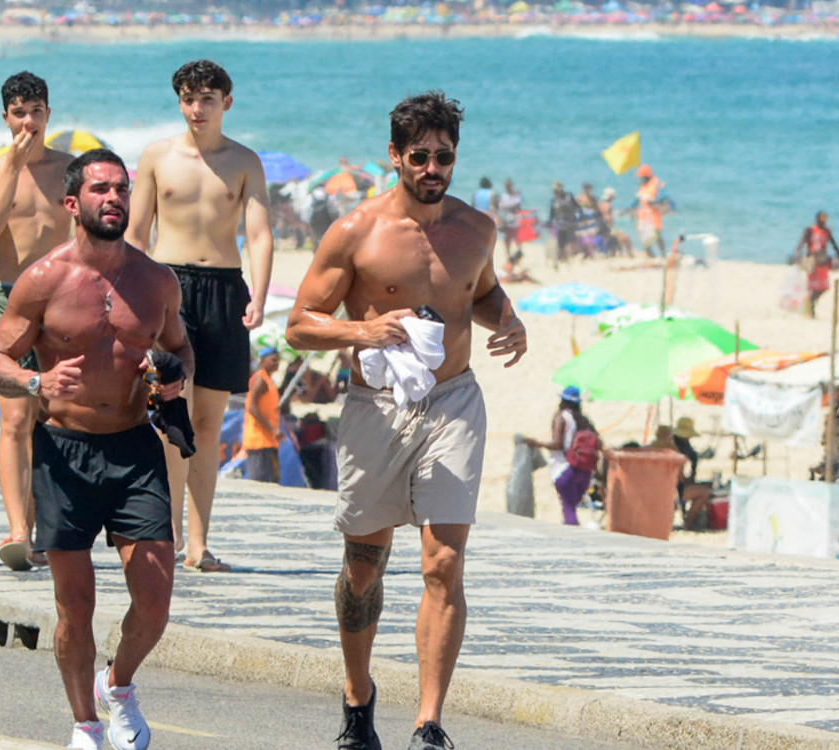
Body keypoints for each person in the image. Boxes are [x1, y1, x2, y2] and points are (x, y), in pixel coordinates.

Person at [285, 91, 528, 750]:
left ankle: (429, 724)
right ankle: (358, 698)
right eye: (418, 155)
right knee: (365, 562)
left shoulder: (477, 229)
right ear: (394, 156)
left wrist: (507, 318)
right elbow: (300, 325)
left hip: (453, 400)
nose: (431, 167)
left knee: (444, 563)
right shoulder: (355, 231)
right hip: (376, 408)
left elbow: (476, 292)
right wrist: (365, 328)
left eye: (443, 156)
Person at [0, 149, 192, 750]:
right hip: (64, 454)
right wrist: (34, 383)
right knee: (75, 606)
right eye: (101, 189)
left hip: (134, 449)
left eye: (122, 188)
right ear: (73, 203)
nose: (115, 198)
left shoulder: (156, 280)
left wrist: (173, 380)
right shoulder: (45, 278)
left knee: (154, 599)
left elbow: (181, 347)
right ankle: (85, 723)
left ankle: (118, 685)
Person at [127, 59, 274, 573]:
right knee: (172, 418)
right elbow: (135, 232)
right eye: (189, 98)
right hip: (169, 286)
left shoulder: (245, 161)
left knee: (209, 424)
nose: (197, 108)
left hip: (225, 290)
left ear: (226, 103)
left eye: (207, 98)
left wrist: (259, 293)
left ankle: (199, 543)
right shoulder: (156, 156)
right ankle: (164, 534)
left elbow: (258, 232)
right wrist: (134, 295)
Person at [0, 71, 74, 571]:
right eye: (18, 112)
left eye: (36, 111)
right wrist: (12, 166)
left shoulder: (71, 171)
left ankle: (43, 524)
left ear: (49, 114)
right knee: (13, 419)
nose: (28, 121)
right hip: (7, 300)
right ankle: (17, 530)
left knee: (51, 417)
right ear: (5, 117)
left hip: (60, 303)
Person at [525, 387, 598, 527]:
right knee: (572, 507)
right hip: (585, 471)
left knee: (568, 508)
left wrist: (535, 443)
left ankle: (573, 542)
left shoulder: (561, 418)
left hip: (563, 469)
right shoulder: (584, 420)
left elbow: (557, 444)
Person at [794, 211, 839, 318]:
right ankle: (810, 309)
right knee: (813, 287)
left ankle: (811, 306)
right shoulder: (810, 230)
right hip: (812, 261)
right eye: (821, 219)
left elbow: (834, 244)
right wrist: (798, 255)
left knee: (823, 287)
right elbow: (801, 243)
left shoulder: (827, 231)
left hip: (823, 261)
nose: (823, 221)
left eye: (825, 219)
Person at [243, 346, 282, 484]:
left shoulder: (268, 380)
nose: (277, 363)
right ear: (263, 361)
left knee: (271, 481)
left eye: (278, 360)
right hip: (259, 440)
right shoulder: (260, 379)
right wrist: (272, 428)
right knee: (259, 483)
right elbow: (251, 407)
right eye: (273, 360)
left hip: (268, 440)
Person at [671, 417, 714, 530]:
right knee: (704, 493)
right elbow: (679, 477)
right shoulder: (676, 450)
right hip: (673, 490)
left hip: (671, 487)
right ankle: (688, 524)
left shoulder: (674, 446)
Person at [633, 164, 666, 258]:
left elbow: (662, 197)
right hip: (643, 216)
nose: (641, 179)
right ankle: (651, 256)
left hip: (653, 215)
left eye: (642, 177)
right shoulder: (642, 186)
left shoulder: (656, 183)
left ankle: (663, 254)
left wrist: (652, 201)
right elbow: (638, 200)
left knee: (657, 236)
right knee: (644, 238)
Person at [547, 181, 580, 264]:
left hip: (570, 223)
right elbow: (552, 214)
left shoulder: (569, 196)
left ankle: (569, 259)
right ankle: (562, 259)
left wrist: (579, 218)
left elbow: (577, 207)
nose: (555, 192)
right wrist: (549, 224)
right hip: (559, 224)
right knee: (561, 243)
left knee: (569, 242)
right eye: (554, 190)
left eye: (556, 190)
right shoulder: (554, 200)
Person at [495, 178, 522, 276]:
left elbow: (516, 207)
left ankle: (515, 256)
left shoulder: (514, 195)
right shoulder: (507, 196)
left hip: (513, 221)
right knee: (508, 240)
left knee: (514, 239)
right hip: (508, 220)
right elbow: (503, 207)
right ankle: (510, 257)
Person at [597, 187, 633, 257]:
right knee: (626, 238)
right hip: (608, 230)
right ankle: (630, 254)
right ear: (611, 197)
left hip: (601, 230)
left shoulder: (600, 205)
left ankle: (620, 253)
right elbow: (608, 219)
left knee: (619, 235)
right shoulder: (608, 205)